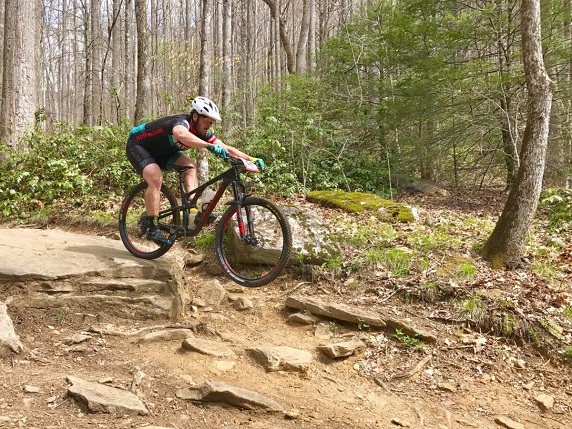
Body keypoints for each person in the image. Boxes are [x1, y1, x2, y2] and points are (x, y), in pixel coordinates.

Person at [126, 96, 265, 245]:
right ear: (195, 116)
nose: (209, 125)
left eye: (212, 122)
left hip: (164, 152)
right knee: (155, 178)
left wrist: (250, 159)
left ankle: (191, 212)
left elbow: (227, 148)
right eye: (207, 120)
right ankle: (153, 227)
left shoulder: (203, 132)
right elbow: (181, 134)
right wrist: (208, 146)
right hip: (139, 145)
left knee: (190, 167)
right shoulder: (181, 122)